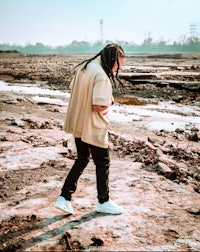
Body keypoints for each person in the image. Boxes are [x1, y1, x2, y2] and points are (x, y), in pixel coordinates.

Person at [55, 43, 125, 215]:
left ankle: (64, 198)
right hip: (93, 126)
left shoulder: (84, 67)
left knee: (82, 158)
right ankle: (103, 201)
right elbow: (98, 105)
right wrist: (111, 102)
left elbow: (74, 89)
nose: (118, 68)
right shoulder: (101, 76)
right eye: (118, 65)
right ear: (112, 60)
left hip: (79, 122)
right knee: (103, 162)